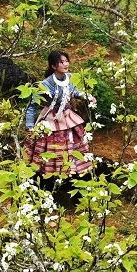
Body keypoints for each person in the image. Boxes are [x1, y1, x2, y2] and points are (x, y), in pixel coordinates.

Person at [24, 50, 96, 178]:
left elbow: (75, 92)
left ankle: (73, 169)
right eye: (61, 62)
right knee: (51, 145)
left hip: (68, 116)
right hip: (52, 118)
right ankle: (50, 171)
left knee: (73, 140)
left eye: (67, 61)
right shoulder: (45, 84)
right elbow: (32, 105)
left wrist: (88, 96)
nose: (65, 64)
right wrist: (29, 124)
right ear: (53, 66)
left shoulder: (70, 78)